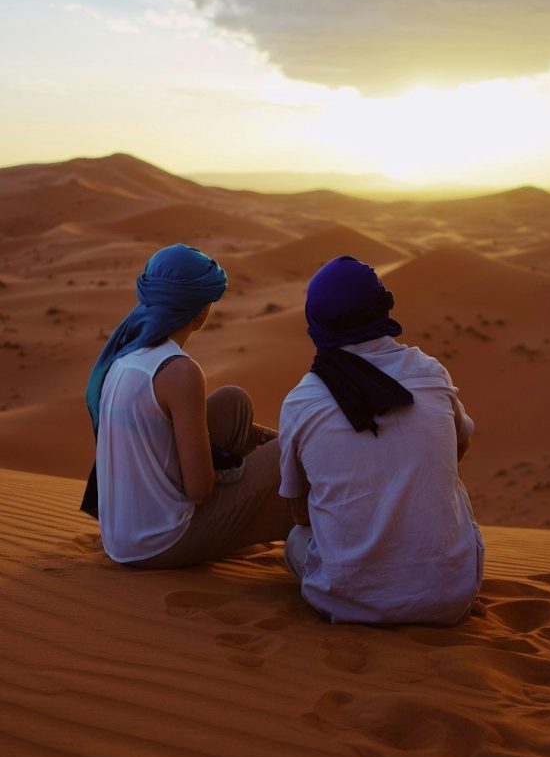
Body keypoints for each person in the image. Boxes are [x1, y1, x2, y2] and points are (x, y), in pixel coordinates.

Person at [279, 255, 484, 625]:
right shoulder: (430, 373)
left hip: (344, 602)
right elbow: (460, 446)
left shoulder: (302, 400)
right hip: (450, 601)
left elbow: (298, 511)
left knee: (296, 540)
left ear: (315, 320)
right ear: (381, 307)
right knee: (453, 485)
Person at [83, 243, 293, 568]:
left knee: (232, 403)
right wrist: (243, 469)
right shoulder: (179, 372)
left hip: (122, 537)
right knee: (293, 450)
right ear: (200, 311)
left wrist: (260, 439)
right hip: (161, 541)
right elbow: (200, 490)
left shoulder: (126, 355)